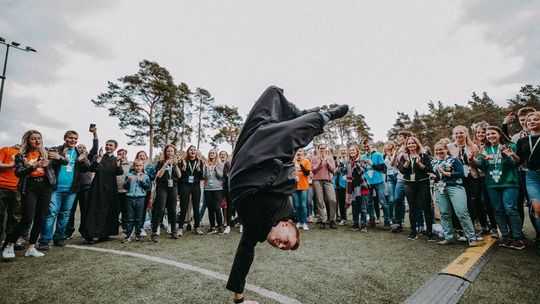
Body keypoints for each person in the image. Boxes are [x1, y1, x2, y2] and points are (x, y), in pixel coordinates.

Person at [226, 86, 348, 303]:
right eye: (285, 242)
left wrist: (239, 300)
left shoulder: (257, 231)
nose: (279, 245)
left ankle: (301, 117)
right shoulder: (287, 210)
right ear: (287, 226)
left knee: (268, 127)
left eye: (282, 247)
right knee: (272, 96)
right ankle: (322, 116)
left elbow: (243, 258)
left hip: (242, 172)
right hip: (259, 165)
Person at [2, 130, 62, 259]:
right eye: (33, 138)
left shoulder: (46, 152)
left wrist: (59, 157)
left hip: (45, 187)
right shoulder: (21, 155)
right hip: (29, 187)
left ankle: (31, 247)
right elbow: (18, 173)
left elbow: (64, 162)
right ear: (27, 140)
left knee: (40, 217)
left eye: (39, 138)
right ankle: (9, 245)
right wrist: (34, 166)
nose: (37, 141)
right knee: (27, 218)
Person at [38, 130, 89, 251]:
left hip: (72, 189)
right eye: (70, 138)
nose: (73, 140)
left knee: (65, 214)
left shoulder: (79, 152)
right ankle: (44, 240)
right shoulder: (56, 150)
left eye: (75, 139)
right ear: (65, 138)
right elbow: (48, 165)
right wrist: (57, 157)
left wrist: (82, 160)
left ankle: (59, 238)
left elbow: (86, 169)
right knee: (51, 213)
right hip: (55, 188)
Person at [477, 126, 523, 249]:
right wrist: (482, 160)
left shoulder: (510, 146)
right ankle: (506, 235)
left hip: (509, 182)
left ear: (500, 134)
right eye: (488, 135)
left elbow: (514, 164)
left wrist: (505, 155)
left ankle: (518, 237)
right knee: (497, 209)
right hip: (492, 184)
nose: (490, 136)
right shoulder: (485, 149)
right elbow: (482, 167)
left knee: (510, 208)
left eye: (493, 133)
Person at [430, 141, 481, 247]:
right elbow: (432, 173)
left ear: (446, 150)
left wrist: (448, 174)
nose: (439, 152)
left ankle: (471, 237)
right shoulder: (433, 162)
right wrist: (433, 176)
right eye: (437, 150)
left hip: (455, 187)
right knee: (444, 213)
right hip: (440, 189)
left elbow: (461, 173)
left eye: (441, 149)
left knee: (462, 212)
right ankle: (448, 237)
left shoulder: (454, 160)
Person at [83, 140, 124, 243]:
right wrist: (98, 159)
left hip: (111, 189)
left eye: (111, 145)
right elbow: (91, 169)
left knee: (108, 211)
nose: (108, 147)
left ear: (115, 148)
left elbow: (119, 172)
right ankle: (89, 235)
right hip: (97, 186)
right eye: (107, 145)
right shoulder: (99, 157)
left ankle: (104, 234)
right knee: (93, 210)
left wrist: (119, 163)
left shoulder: (116, 159)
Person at [397, 136, 434, 241]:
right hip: (409, 184)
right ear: (406, 145)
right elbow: (402, 171)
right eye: (408, 143)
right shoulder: (404, 156)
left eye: (413, 143)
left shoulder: (424, 155)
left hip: (423, 183)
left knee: (426, 207)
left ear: (417, 144)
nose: (410, 145)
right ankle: (413, 232)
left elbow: (429, 170)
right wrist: (407, 162)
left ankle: (429, 232)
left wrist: (419, 163)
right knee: (412, 208)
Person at [66, 126, 99, 239]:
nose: (81, 149)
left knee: (85, 210)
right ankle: (68, 232)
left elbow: (95, 148)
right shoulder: (73, 157)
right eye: (79, 147)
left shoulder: (89, 157)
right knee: (70, 211)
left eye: (84, 148)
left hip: (86, 187)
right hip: (73, 187)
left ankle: (85, 232)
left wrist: (94, 134)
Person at [515, 111, 540, 247]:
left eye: (535, 119)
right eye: (529, 120)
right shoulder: (522, 141)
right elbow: (518, 161)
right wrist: (512, 155)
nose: (531, 122)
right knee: (537, 208)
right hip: (531, 176)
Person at [151, 144, 181, 241]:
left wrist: (175, 165)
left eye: (172, 151)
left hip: (173, 187)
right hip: (162, 187)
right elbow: (159, 175)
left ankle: (173, 231)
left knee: (172, 210)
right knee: (160, 208)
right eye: (168, 151)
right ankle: (155, 231)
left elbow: (179, 175)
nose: (170, 153)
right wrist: (166, 163)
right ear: (165, 152)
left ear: (174, 152)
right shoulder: (160, 162)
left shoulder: (176, 163)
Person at [361, 139, 390, 227]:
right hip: (368, 182)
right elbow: (363, 169)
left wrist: (372, 164)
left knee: (382, 201)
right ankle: (372, 220)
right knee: (369, 202)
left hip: (378, 181)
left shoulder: (378, 155)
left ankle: (387, 221)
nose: (366, 148)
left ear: (371, 145)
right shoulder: (363, 156)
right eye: (364, 146)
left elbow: (382, 169)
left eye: (367, 146)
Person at [122, 159, 151, 243]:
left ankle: (138, 235)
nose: (138, 167)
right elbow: (125, 187)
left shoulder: (145, 176)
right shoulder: (129, 175)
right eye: (136, 165)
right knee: (130, 218)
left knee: (139, 218)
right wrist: (128, 182)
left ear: (142, 167)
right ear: (133, 166)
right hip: (129, 199)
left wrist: (142, 182)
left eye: (140, 166)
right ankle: (128, 235)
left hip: (140, 198)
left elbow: (148, 187)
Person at [178, 145, 205, 235]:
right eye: (191, 150)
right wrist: (183, 169)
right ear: (188, 151)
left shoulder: (199, 162)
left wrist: (198, 169)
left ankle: (197, 227)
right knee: (184, 207)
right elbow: (180, 176)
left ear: (196, 152)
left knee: (196, 207)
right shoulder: (183, 161)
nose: (193, 151)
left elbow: (201, 177)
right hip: (185, 185)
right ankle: (180, 228)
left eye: (194, 150)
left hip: (196, 186)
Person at [312, 143, 338, 229]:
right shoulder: (314, 158)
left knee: (333, 200)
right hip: (317, 180)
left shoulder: (330, 158)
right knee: (320, 200)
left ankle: (332, 220)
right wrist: (320, 162)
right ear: (318, 149)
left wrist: (327, 162)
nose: (322, 150)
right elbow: (313, 170)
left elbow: (333, 170)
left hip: (327, 180)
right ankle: (322, 220)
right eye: (321, 148)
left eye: (323, 148)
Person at [0, 144, 20, 247]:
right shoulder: (6, 149)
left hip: (18, 189)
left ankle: (8, 244)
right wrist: (12, 164)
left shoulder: (29, 153)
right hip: (2, 186)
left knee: (14, 218)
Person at [347, 145, 370, 232]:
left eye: (353, 150)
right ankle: (355, 224)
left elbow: (361, 171)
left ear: (357, 151)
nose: (352, 151)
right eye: (350, 150)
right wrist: (341, 165)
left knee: (363, 207)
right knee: (355, 207)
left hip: (362, 187)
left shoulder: (362, 160)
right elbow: (344, 172)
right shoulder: (348, 163)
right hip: (353, 188)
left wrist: (356, 163)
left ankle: (363, 225)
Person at [204, 149, 225, 234]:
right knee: (210, 208)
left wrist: (215, 168)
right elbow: (205, 177)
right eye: (210, 153)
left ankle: (220, 226)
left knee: (217, 207)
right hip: (207, 189)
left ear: (216, 155)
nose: (211, 154)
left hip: (217, 189)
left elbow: (221, 176)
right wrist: (206, 169)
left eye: (213, 153)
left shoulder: (220, 164)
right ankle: (212, 227)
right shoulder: (206, 164)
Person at [292, 148, 311, 231]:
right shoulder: (292, 162)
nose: (299, 153)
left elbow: (307, 173)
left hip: (304, 186)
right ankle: (299, 222)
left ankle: (305, 223)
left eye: (300, 151)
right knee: (296, 205)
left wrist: (301, 165)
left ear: (303, 153)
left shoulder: (306, 161)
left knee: (303, 205)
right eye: (297, 151)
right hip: (294, 187)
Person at [116, 148, 131, 231]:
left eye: (123, 153)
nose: (122, 155)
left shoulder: (130, 165)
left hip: (126, 191)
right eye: (120, 153)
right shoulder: (114, 163)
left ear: (126, 155)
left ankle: (125, 228)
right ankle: (114, 227)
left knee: (125, 210)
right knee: (116, 210)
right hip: (115, 190)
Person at [333, 146, 348, 225]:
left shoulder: (349, 160)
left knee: (348, 201)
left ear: (346, 151)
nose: (343, 151)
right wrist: (339, 165)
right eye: (341, 150)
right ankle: (343, 218)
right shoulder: (336, 161)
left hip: (348, 183)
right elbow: (334, 172)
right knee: (341, 202)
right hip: (339, 184)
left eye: (344, 150)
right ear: (339, 152)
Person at [220, 150, 233, 234]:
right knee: (222, 205)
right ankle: (224, 221)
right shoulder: (217, 164)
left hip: (227, 187)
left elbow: (228, 175)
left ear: (227, 156)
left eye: (224, 154)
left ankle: (228, 223)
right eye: (221, 154)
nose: (222, 155)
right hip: (218, 187)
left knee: (229, 205)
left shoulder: (228, 164)